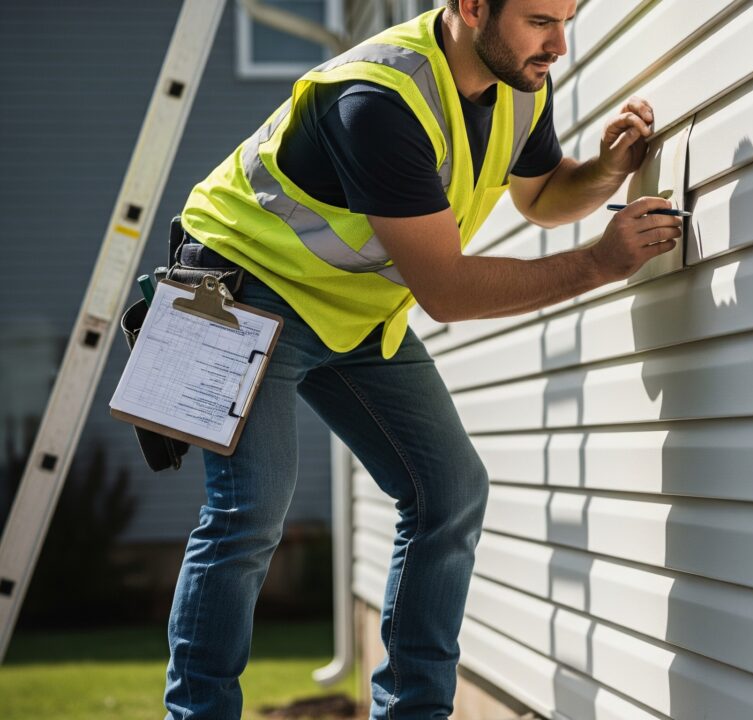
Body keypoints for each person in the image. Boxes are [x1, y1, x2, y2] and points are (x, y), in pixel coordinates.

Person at [163, 0, 680, 718]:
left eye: (567, 19)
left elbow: (541, 195)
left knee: (450, 492)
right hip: (236, 287)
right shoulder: (378, 101)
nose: (559, 45)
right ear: (472, 8)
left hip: (347, 311)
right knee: (249, 511)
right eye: (540, 21)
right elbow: (445, 291)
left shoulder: (518, 82)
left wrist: (604, 170)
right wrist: (600, 263)